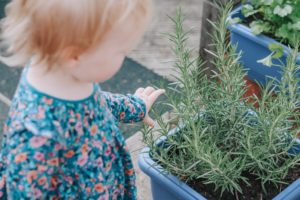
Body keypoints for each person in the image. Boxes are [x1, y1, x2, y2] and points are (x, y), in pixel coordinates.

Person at [0, 0, 165, 199]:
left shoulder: (63, 72)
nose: (126, 55)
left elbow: (94, 104)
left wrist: (135, 107)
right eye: (122, 51)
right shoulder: (36, 136)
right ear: (74, 55)